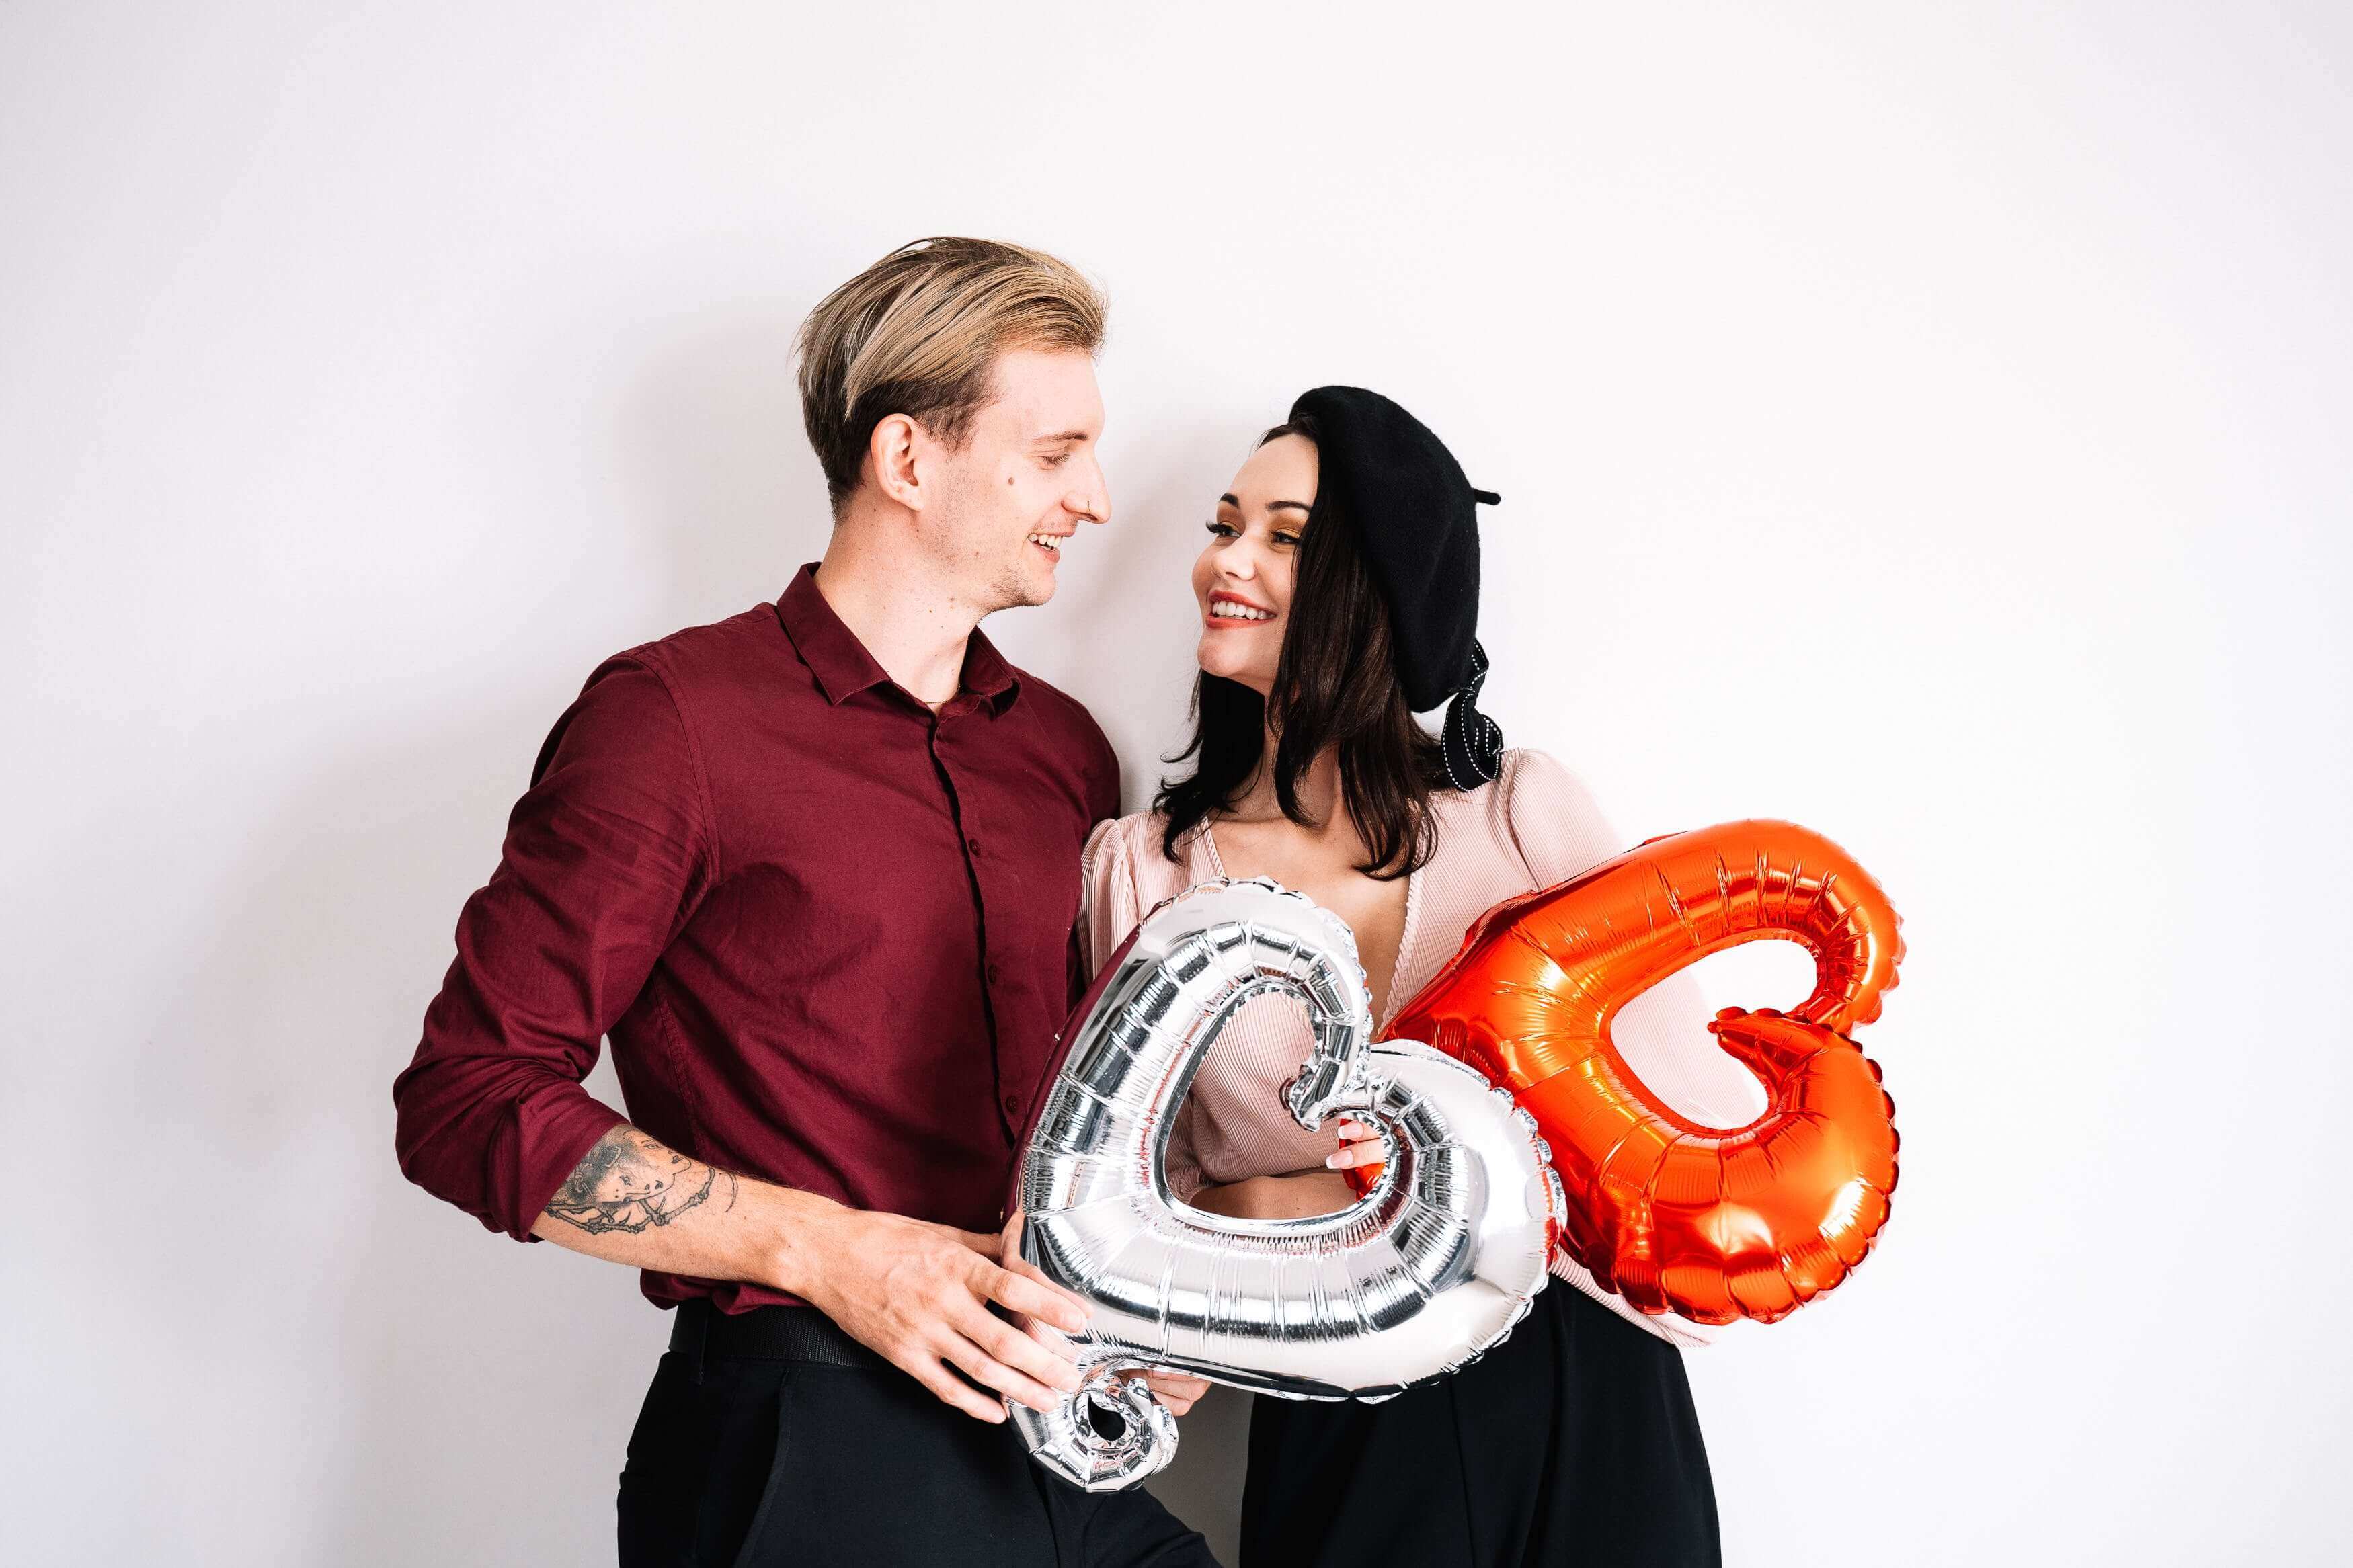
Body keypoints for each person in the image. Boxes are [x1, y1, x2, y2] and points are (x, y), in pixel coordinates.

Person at [393, 237, 1214, 1567]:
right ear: (908, 460)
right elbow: (467, 1095)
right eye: (1056, 454)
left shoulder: (1065, 752)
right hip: (807, 1442)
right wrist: (836, 1254)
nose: (1097, 499)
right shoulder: (671, 723)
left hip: (1057, 1419)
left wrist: (1155, 1300)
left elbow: (1095, 1104)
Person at [1080, 387, 1764, 1567]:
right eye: (1224, 524)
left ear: (1375, 585)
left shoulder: (1522, 817)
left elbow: (1686, 1132)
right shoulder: (1147, 872)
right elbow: (1134, 1206)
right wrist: (1274, 1205)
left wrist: (1421, 1178)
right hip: (1344, 1412)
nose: (1225, 561)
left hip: (1586, 1380)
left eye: (1284, 537)